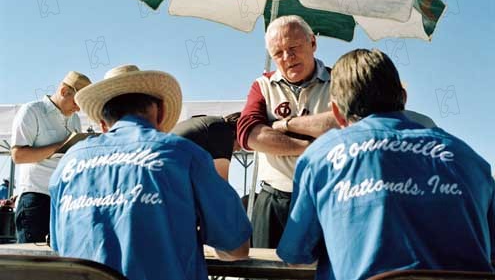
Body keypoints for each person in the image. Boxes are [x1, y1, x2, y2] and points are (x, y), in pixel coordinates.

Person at [277, 49, 495, 280]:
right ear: (403, 97)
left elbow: (296, 255)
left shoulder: (320, 157)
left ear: (336, 113)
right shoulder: (470, 160)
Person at [49, 65, 252, 280]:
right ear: (162, 112)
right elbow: (236, 249)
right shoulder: (184, 154)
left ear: (103, 124)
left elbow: (59, 245)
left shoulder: (68, 163)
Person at [237, 15, 339, 248]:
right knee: (267, 272)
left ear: (312, 43)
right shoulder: (262, 85)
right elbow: (249, 134)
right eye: (278, 53)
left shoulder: (340, 81)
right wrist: (310, 147)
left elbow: (347, 122)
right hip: (274, 202)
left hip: (326, 198)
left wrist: (285, 125)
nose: (287, 58)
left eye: (293, 47)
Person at [10, 71, 91, 243]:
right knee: (33, 265)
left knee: (60, 262)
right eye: (77, 103)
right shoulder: (32, 111)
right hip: (35, 198)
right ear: (63, 92)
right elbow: (17, 155)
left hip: (64, 199)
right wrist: (60, 146)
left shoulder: (74, 119)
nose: (78, 109)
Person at [172, 112, 241, 180]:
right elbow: (220, 182)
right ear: (236, 132)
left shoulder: (207, 124)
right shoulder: (223, 132)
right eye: (240, 144)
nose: (239, 149)